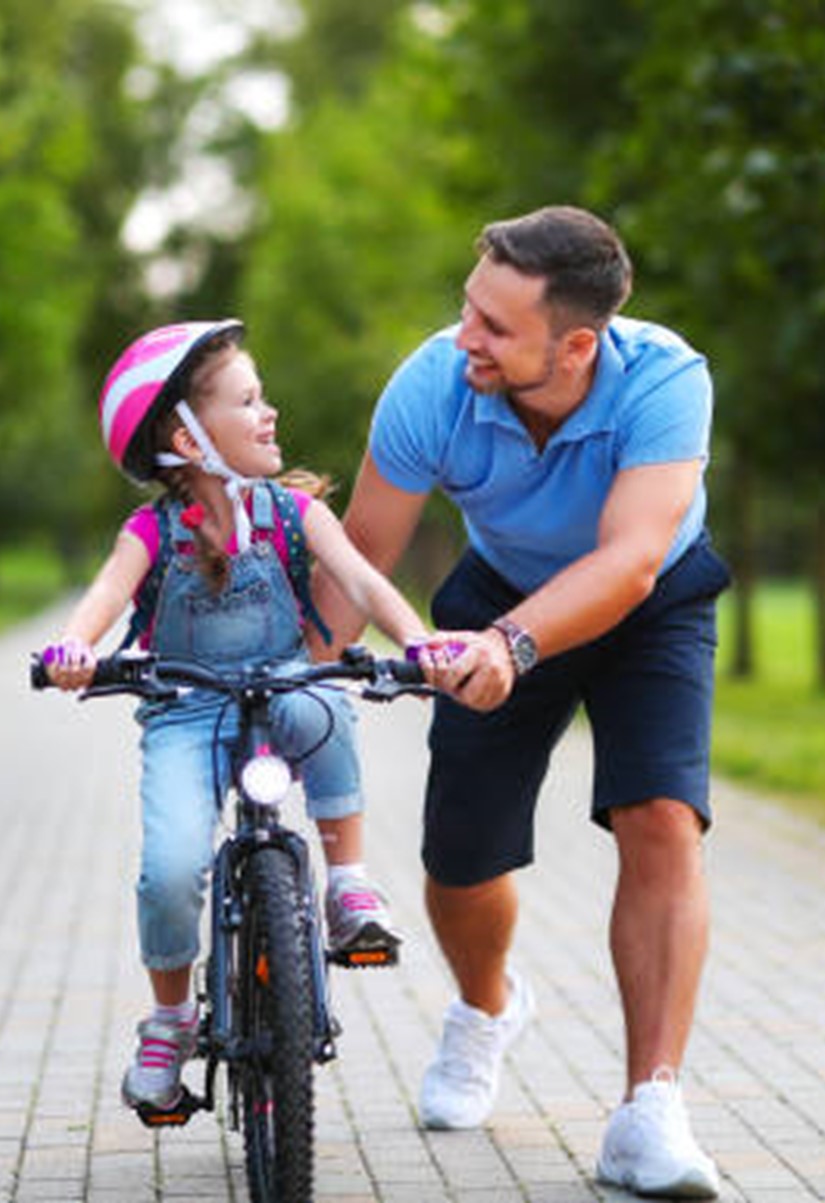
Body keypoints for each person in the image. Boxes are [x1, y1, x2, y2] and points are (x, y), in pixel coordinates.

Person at [313, 206, 731, 1198]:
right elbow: (357, 553)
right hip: (494, 591)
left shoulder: (666, 380)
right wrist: (296, 687)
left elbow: (631, 560)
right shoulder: (432, 385)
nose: (467, 337)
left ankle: (647, 1111)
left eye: (496, 327)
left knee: (662, 817)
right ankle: (486, 1007)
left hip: (647, 605)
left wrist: (516, 645)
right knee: (460, 858)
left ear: (576, 342)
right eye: (469, 308)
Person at [40, 319, 463, 1121]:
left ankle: (347, 887)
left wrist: (420, 643)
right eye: (247, 401)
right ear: (187, 437)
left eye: (263, 396)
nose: (269, 413)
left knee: (327, 699)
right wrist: (73, 647)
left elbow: (365, 583)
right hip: (185, 710)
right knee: (168, 870)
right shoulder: (151, 533)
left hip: (280, 689)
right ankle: (169, 1021)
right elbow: (102, 597)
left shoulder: (291, 512)